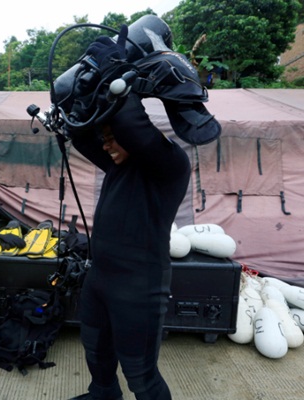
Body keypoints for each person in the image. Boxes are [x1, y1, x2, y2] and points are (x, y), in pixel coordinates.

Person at [67, 29, 191, 400]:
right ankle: (104, 394)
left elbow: (132, 123)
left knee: (141, 374)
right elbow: (80, 135)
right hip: (101, 279)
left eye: (111, 136)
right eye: (104, 138)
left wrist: (116, 72)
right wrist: (81, 90)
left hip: (140, 288)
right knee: (96, 353)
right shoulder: (117, 166)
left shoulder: (169, 165)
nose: (106, 144)